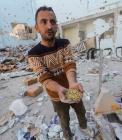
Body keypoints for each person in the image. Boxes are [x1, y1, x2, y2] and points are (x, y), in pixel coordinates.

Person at [28, 6, 95, 140]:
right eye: (44, 22)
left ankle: (83, 127)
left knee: (81, 111)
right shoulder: (33, 54)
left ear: (57, 25)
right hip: (56, 95)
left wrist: (72, 83)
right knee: (64, 119)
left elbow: (69, 64)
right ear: (37, 28)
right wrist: (60, 89)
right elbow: (44, 78)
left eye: (53, 21)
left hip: (71, 88)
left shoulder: (64, 44)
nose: (49, 26)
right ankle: (67, 136)